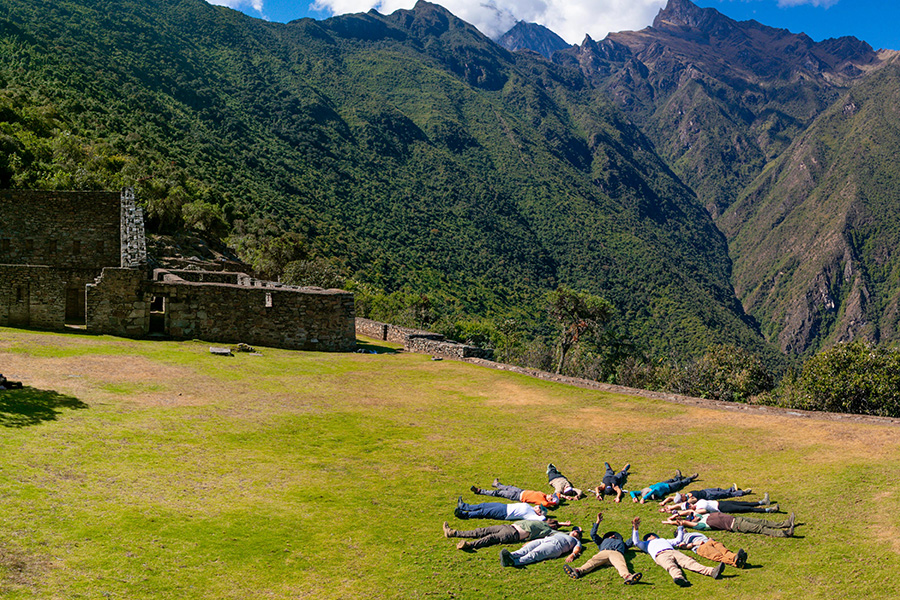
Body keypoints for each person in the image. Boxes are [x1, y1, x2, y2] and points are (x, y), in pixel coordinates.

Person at [630, 516, 724, 587]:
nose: (651, 536)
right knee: (671, 566)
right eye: (649, 536)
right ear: (647, 539)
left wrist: (680, 527)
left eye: (652, 535)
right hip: (660, 555)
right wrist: (635, 528)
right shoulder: (646, 545)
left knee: (689, 562)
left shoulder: (665, 540)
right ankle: (679, 578)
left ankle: (711, 571)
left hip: (673, 551)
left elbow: (678, 540)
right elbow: (636, 542)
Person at [563, 512, 642, 584]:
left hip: (616, 553)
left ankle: (628, 577)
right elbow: (593, 534)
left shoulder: (623, 544)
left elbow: (633, 539)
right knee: (592, 561)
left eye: (615, 536)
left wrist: (635, 528)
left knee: (621, 564)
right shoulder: (601, 542)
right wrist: (597, 522)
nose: (613, 536)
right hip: (603, 553)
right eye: (611, 536)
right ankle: (578, 571)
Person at [443, 518, 566, 551]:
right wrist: (563, 523)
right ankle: (453, 533)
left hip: (513, 533)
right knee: (481, 530)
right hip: (508, 527)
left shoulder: (548, 531)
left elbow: (561, 534)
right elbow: (553, 523)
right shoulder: (541, 521)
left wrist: (569, 529)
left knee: (490, 538)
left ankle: (469, 545)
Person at [671, 511, 796, 538]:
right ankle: (784, 533)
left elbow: (693, 512)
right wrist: (680, 521)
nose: (693, 518)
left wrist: (679, 514)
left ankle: (785, 523)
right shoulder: (703, 525)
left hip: (738, 518)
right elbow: (687, 522)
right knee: (759, 528)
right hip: (735, 525)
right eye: (691, 519)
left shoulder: (702, 517)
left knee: (762, 521)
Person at [672, 525, 747, 568]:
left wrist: (709, 539)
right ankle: (735, 563)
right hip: (700, 547)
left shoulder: (692, 533)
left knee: (724, 550)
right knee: (717, 555)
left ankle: (735, 557)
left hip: (709, 541)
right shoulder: (680, 539)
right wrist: (695, 544)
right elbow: (683, 546)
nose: (683, 529)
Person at [500, 528, 583, 567]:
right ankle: (510, 555)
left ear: (579, 537)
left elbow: (577, 549)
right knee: (526, 548)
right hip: (545, 540)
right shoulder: (562, 533)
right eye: (574, 530)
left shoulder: (576, 541)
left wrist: (573, 555)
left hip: (556, 546)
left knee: (535, 554)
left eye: (577, 532)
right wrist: (532, 541)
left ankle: (514, 562)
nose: (575, 531)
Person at [471, 480, 559, 509]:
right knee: (507, 487)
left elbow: (547, 504)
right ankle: (497, 484)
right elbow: (557, 493)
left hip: (518, 496)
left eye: (551, 497)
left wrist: (554, 503)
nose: (550, 495)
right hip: (521, 491)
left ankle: (479, 491)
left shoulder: (543, 501)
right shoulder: (543, 494)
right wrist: (559, 496)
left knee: (499, 493)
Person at [454, 497, 547, 522]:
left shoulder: (531, 515)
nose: (538, 507)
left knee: (483, 512)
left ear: (539, 513)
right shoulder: (530, 508)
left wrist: (542, 515)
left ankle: (464, 515)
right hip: (504, 506)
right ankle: (464, 506)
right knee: (483, 505)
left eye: (540, 509)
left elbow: (542, 519)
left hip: (504, 513)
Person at [629, 471, 698, 504]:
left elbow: (632, 492)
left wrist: (634, 497)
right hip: (670, 487)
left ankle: (678, 477)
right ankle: (691, 478)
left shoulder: (642, 492)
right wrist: (644, 499)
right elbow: (652, 491)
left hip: (663, 483)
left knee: (672, 480)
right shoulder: (656, 492)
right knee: (680, 483)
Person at [659, 484, 753, 508]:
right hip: (709, 496)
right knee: (725, 495)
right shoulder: (689, 500)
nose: (682, 493)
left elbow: (670, 498)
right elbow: (692, 500)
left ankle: (732, 488)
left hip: (706, 491)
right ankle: (742, 493)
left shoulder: (685, 496)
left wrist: (664, 502)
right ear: (682, 499)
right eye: (681, 495)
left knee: (720, 490)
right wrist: (688, 500)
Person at [675, 495, 778, 516]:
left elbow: (693, 498)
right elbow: (704, 512)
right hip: (721, 508)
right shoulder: (697, 510)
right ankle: (767, 510)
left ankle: (762, 502)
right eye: (687, 506)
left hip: (721, 502)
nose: (689, 505)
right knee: (745, 509)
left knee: (743, 503)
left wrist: (688, 502)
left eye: (688, 504)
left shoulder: (696, 503)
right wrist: (691, 511)